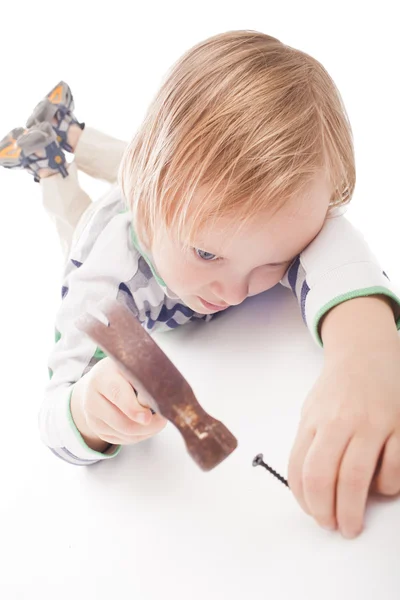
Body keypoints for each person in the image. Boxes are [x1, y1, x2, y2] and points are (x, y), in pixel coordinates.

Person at [2, 31, 400, 540]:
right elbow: (52, 413)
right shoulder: (105, 280)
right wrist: (87, 410)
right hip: (100, 235)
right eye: (207, 254)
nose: (232, 293)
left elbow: (333, 243)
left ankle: (71, 132)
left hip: (156, 181)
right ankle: (48, 164)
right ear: (153, 203)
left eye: (273, 263)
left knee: (140, 164)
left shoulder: (247, 221)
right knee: (75, 218)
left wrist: (365, 354)